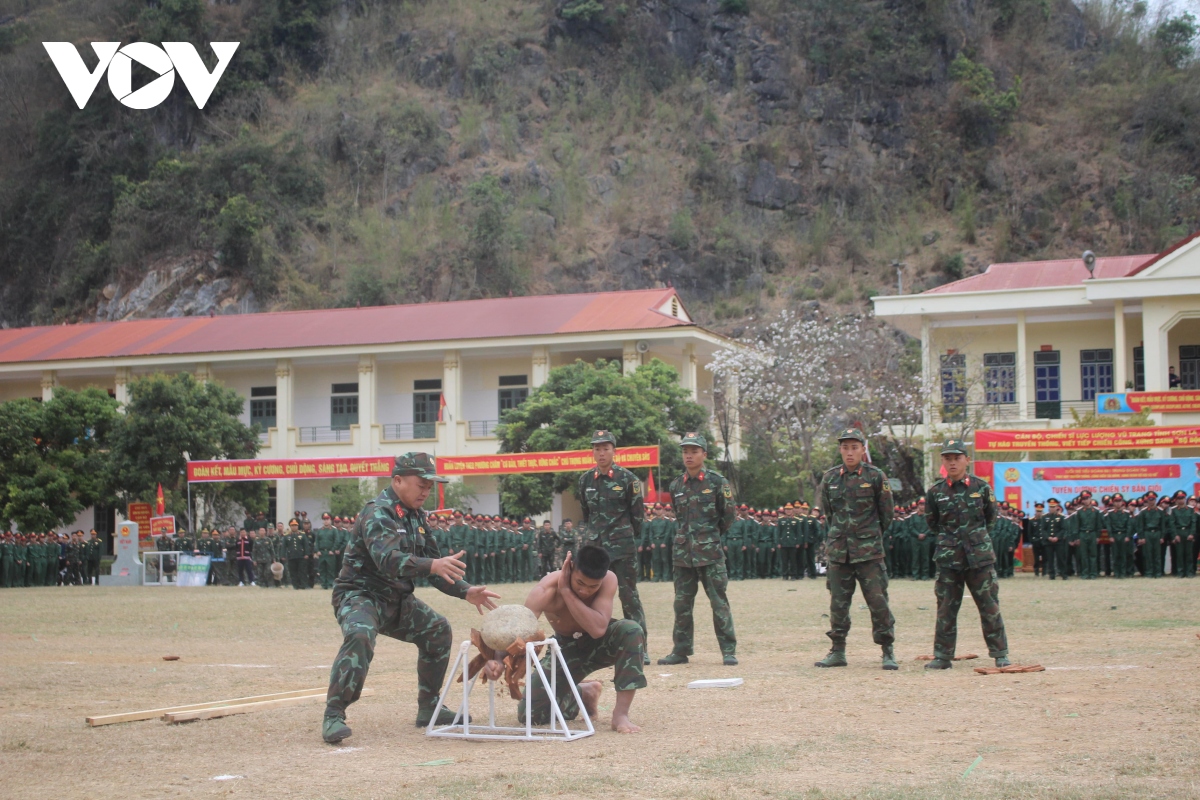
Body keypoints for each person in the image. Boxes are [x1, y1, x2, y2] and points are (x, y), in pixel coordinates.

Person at [322, 453, 500, 743]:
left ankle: (429, 706)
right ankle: (334, 714)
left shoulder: (418, 516)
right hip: (360, 596)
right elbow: (388, 561)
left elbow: (434, 565)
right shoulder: (377, 513)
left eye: (430, 486)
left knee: (437, 631)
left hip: (396, 600)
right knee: (360, 634)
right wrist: (433, 565)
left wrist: (466, 590)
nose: (426, 492)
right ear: (398, 480)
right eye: (421, 485)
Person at [481, 544, 646, 733]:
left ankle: (621, 715)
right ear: (571, 567)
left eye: (593, 586)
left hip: (602, 642)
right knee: (530, 715)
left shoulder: (609, 579)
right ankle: (584, 694)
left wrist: (568, 591)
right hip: (564, 648)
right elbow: (519, 631)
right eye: (580, 583)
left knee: (631, 630)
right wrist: (498, 660)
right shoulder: (546, 588)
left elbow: (598, 629)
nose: (585, 591)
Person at [922, 439, 1011, 670]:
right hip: (949, 559)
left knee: (989, 606)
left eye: (957, 458)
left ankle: (1000, 653)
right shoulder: (935, 492)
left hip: (979, 558)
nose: (952, 463)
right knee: (946, 608)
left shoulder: (981, 488)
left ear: (966, 460)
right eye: (948, 458)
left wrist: (974, 540)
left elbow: (990, 520)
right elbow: (932, 523)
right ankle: (942, 656)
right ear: (943, 461)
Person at [814, 428, 897, 670]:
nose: (849, 452)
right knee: (838, 603)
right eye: (845, 447)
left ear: (863, 449)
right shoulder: (830, 478)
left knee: (878, 602)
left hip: (869, 552)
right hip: (840, 552)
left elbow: (887, 514)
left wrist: (868, 536)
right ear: (840, 450)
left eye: (854, 447)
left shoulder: (875, 476)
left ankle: (887, 650)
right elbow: (830, 514)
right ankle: (837, 651)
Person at [656, 433, 738, 666]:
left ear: (704, 454)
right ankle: (680, 651)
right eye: (685, 451)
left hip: (710, 553)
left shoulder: (717, 482)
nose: (689, 455)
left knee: (718, 602)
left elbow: (729, 516)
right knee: (682, 604)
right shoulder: (676, 485)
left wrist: (709, 536)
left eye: (694, 451)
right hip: (683, 554)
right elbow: (680, 516)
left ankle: (728, 650)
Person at [577, 430, 649, 664]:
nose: (601, 453)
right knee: (590, 598)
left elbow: (637, 515)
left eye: (605, 448)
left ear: (614, 451)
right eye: (597, 448)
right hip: (596, 550)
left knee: (629, 597)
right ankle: (592, 648)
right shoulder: (585, 480)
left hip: (622, 549)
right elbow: (586, 514)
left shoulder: (628, 479)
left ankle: (640, 649)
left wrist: (626, 537)